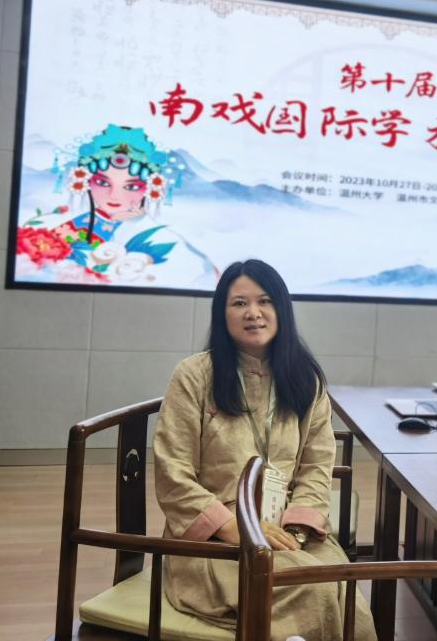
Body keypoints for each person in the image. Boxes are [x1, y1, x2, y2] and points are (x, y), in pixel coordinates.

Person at [153, 259, 376, 640]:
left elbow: (317, 466)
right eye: (239, 303)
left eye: (264, 301)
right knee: (311, 590)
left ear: (281, 309)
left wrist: (296, 530)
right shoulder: (194, 375)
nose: (253, 313)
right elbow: (172, 473)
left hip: (288, 530)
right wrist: (234, 528)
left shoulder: (305, 380)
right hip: (214, 540)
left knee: (343, 590)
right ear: (222, 314)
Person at [14, 124, 217, 288]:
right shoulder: (64, 222)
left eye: (131, 186)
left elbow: (198, 275)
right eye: (103, 183)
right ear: (85, 181)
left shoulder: (160, 237)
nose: (114, 195)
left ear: (151, 187)